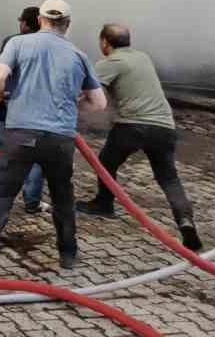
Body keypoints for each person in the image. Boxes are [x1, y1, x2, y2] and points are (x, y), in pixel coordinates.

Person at [0, 0, 107, 276]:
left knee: (2, 195)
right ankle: (67, 255)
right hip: (60, 138)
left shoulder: (18, 44)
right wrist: (73, 106)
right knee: (62, 197)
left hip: (20, 134)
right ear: (67, 25)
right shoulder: (78, 55)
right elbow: (99, 103)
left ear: (41, 20)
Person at [75, 24, 202, 251]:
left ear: (105, 41)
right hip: (164, 125)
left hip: (133, 125)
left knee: (105, 163)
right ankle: (185, 220)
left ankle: (104, 204)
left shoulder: (110, 63)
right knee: (168, 178)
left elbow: (88, 92)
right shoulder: (143, 57)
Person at [0, 6, 47, 214]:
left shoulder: (12, 41)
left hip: (6, 103)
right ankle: (31, 200)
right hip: (33, 108)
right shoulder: (50, 46)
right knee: (35, 152)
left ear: (25, 23)